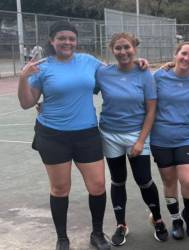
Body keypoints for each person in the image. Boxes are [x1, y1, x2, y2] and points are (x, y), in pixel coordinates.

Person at [18, 21, 111, 250]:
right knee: (60, 189)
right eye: (61, 38)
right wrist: (23, 78)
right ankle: (62, 238)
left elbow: (115, 73)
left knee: (98, 185)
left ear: (76, 41)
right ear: (52, 41)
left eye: (71, 38)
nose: (67, 42)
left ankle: (97, 234)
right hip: (53, 135)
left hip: (86, 133)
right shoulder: (43, 67)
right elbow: (27, 103)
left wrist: (139, 65)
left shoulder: (89, 61)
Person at [95, 32, 168, 246]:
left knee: (144, 179)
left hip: (137, 134)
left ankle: (158, 220)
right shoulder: (103, 73)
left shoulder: (145, 74)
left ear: (134, 48)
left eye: (126, 47)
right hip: (109, 134)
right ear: (112, 50)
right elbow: (79, 86)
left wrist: (139, 141)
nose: (123, 51)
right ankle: (121, 224)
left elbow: (151, 110)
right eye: (118, 48)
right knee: (118, 180)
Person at [150, 42, 189, 240]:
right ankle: (176, 219)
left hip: (186, 138)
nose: (186, 58)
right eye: (183, 53)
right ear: (176, 54)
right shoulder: (158, 76)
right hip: (160, 139)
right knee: (169, 181)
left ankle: (188, 214)